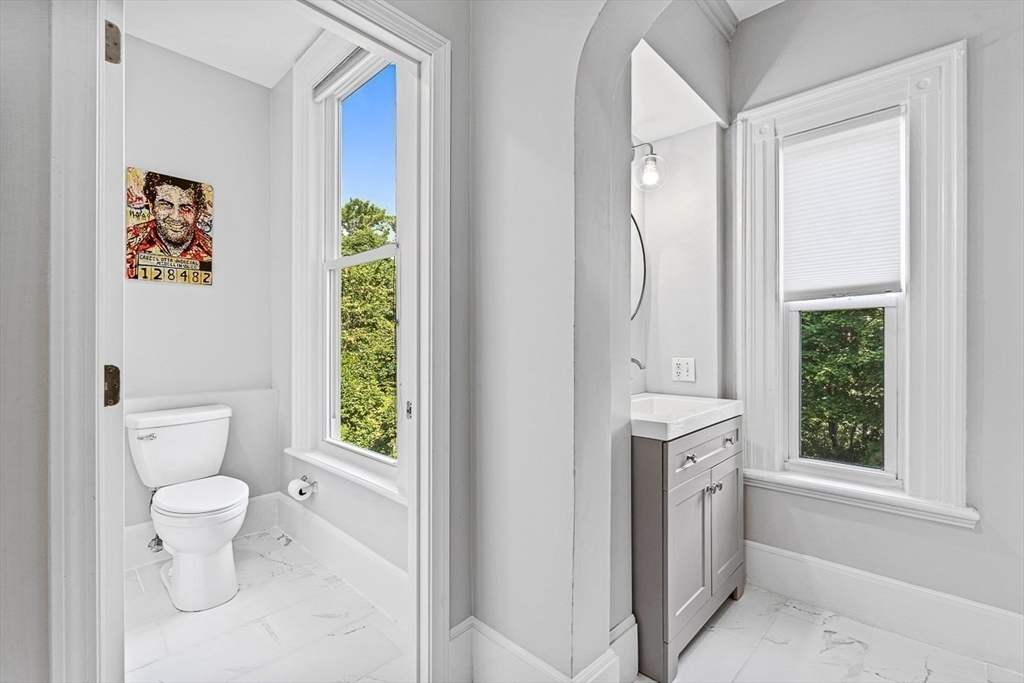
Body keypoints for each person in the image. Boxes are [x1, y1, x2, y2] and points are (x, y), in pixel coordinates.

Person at [126, 171, 212, 279]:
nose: (175, 217)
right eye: (166, 205)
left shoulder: (212, 251)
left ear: (197, 213)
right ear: (152, 207)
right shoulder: (126, 241)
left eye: (186, 208)